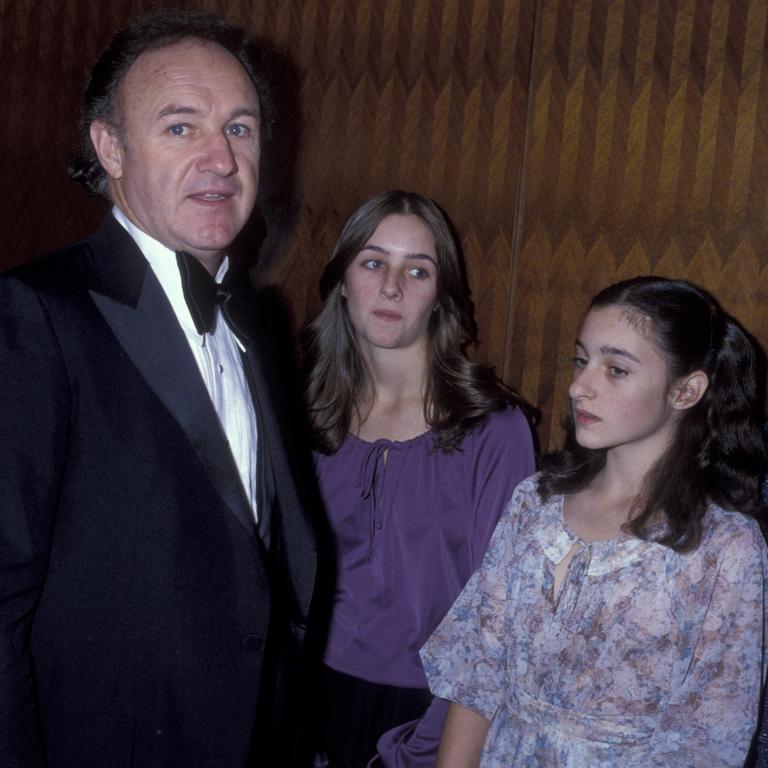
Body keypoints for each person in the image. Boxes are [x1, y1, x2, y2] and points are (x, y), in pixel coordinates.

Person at [0, 8, 316, 767]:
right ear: (109, 147)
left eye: (240, 129)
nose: (221, 160)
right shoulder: (34, 315)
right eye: (182, 128)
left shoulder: (261, 322)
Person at [422, 276, 768, 767]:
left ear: (686, 390)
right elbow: (476, 678)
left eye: (617, 369)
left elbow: (705, 742)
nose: (579, 387)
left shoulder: (726, 548)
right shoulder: (534, 503)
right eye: (582, 361)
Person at [300, 190, 536, 767]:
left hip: (436, 713)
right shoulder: (298, 414)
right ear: (342, 282)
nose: (391, 287)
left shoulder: (494, 431)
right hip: (308, 702)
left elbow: (500, 621)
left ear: (441, 296)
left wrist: (431, 746)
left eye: (418, 270)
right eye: (374, 262)